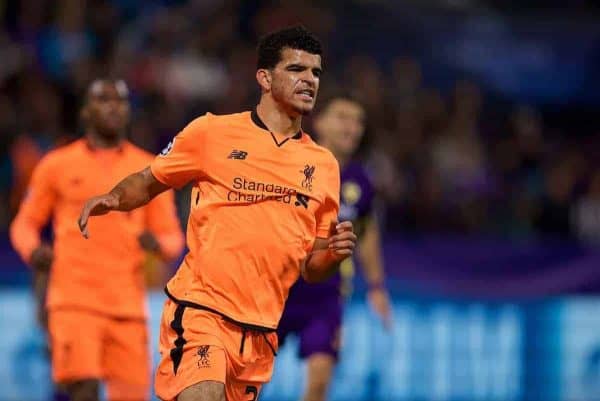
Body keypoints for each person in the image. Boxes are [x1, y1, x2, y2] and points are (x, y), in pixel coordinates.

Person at [77, 26, 357, 401]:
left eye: (316, 72)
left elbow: (312, 266)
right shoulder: (212, 133)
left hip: (260, 330)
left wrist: (335, 255)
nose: (309, 80)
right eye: (296, 69)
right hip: (201, 311)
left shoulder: (323, 165)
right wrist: (114, 197)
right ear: (264, 77)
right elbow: (149, 179)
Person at [10, 79, 184, 401]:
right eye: (103, 100)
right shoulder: (57, 165)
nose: (113, 106)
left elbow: (173, 237)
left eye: (120, 100)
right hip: (74, 302)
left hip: (128, 308)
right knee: (83, 391)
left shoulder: (150, 170)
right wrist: (32, 250)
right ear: (86, 111)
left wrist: (158, 246)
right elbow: (24, 224)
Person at [277, 94, 391, 401]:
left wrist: (377, 285)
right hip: (279, 288)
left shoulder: (360, 180)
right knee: (248, 379)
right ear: (320, 121)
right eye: (343, 117)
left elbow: (366, 233)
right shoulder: (290, 163)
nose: (353, 127)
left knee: (319, 385)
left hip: (326, 296)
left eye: (358, 121)